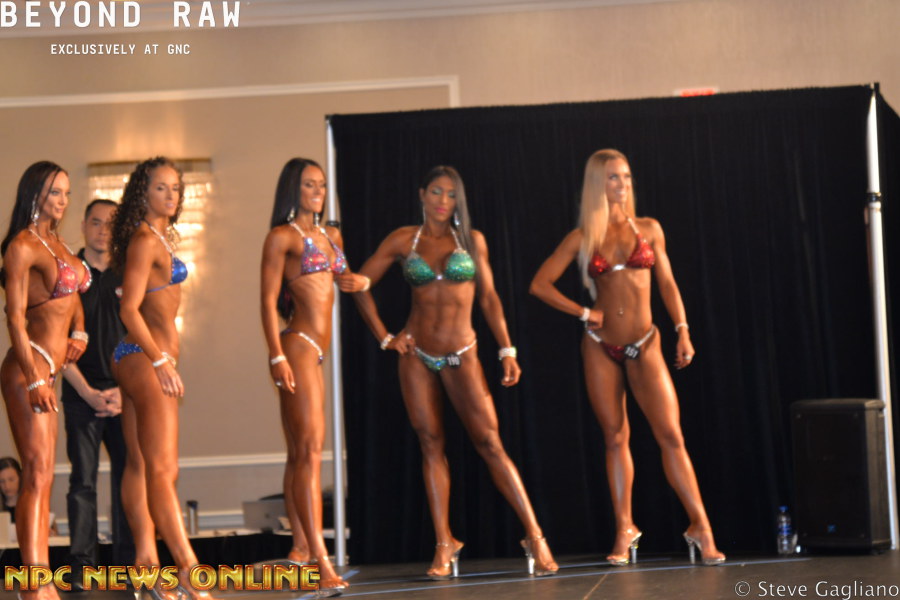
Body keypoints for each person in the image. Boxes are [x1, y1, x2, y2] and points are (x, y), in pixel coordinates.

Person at [352, 166, 558, 579]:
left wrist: (507, 349)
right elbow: (361, 283)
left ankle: (535, 536)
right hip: (416, 354)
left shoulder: (471, 241)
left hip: (462, 353)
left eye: (450, 194)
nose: (442, 201)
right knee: (431, 443)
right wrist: (385, 337)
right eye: (435, 192)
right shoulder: (403, 239)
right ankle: (444, 542)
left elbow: (490, 298)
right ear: (421, 194)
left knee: (490, 442)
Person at [529, 149, 725, 566]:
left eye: (627, 177)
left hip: (645, 342)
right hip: (600, 346)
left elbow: (667, 282)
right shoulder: (582, 237)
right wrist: (583, 312)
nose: (623, 184)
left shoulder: (649, 228)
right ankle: (624, 528)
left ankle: (701, 527)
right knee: (615, 437)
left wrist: (683, 329)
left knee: (671, 435)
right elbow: (540, 284)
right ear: (597, 184)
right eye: (613, 177)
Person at [261, 157, 365, 597]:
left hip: (315, 353)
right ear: (293, 190)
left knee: (298, 454)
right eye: (309, 185)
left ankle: (301, 548)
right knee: (309, 453)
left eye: (321, 184)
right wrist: (275, 356)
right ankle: (321, 562)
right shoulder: (282, 238)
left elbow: (344, 279)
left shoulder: (331, 236)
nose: (318, 192)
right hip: (296, 347)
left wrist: (361, 283)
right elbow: (267, 300)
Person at [109, 157, 201, 599]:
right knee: (165, 469)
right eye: (161, 187)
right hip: (146, 359)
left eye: (176, 188)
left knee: (140, 463)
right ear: (142, 193)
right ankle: (188, 569)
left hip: (133, 358)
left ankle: (146, 563)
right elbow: (128, 309)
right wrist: (161, 360)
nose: (170, 195)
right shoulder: (146, 240)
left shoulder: (157, 237)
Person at [1, 161, 91, 600]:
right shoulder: (22, 246)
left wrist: (80, 330)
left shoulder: (57, 243)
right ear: (34, 193)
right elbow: (14, 318)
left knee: (43, 477)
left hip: (49, 370)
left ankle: (38, 579)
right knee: (35, 475)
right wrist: (36, 377)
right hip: (28, 369)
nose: (63, 201)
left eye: (67, 193)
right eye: (55, 192)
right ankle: (34, 584)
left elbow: (72, 296)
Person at [61, 199, 134, 585]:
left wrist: (124, 390)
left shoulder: (129, 272)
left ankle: (128, 565)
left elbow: (144, 336)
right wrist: (88, 392)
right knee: (83, 482)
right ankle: (82, 568)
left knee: (129, 479)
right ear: (84, 225)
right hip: (80, 395)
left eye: (110, 223)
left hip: (126, 396)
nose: (103, 230)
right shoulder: (68, 273)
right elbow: (55, 342)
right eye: (96, 222)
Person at [0, 456, 22, 521]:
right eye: (2, 481)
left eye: (11, 480)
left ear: (20, 478)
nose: (7, 486)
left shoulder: (32, 506)